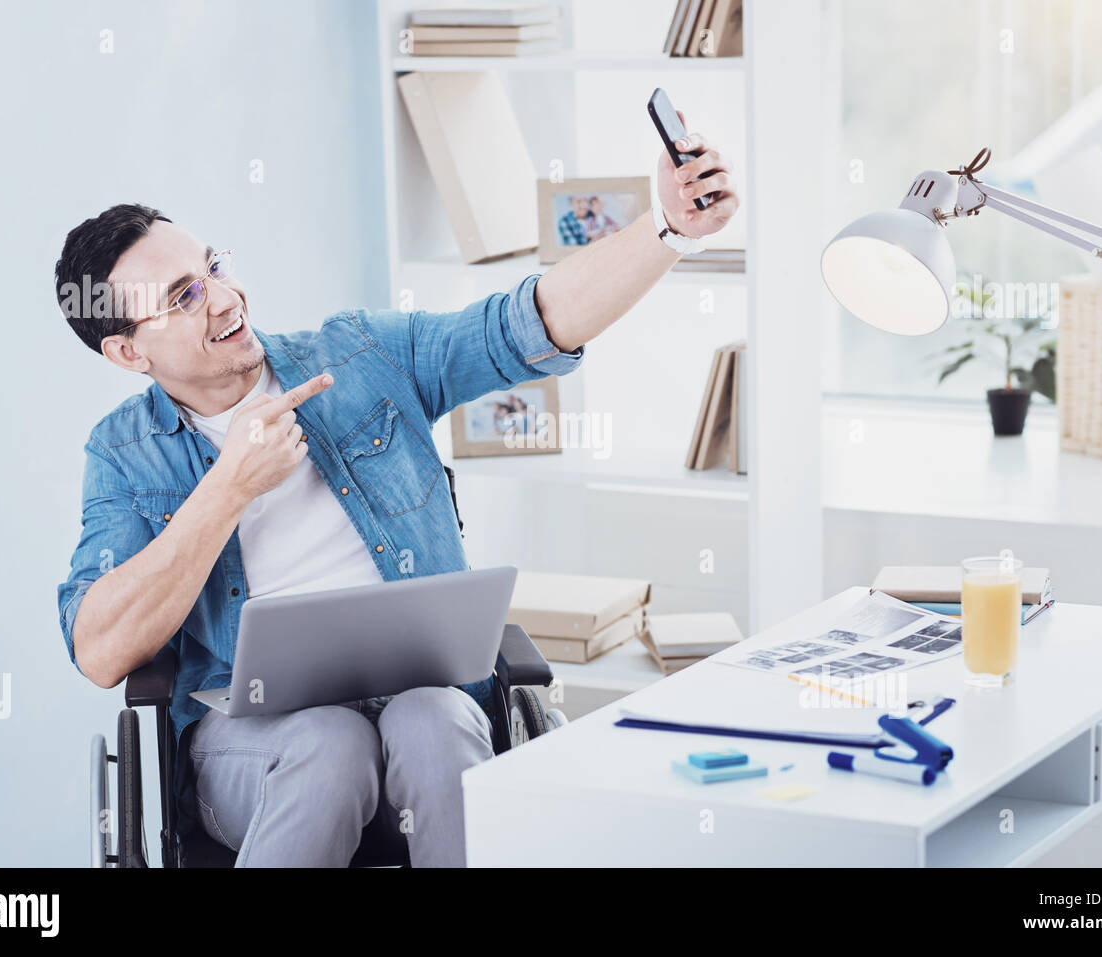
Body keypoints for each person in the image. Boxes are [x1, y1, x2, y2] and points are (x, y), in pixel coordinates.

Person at [54, 121, 738, 867]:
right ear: (128, 351)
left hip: (426, 699)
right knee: (328, 741)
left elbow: (527, 323)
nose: (224, 298)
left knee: (435, 718)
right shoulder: (123, 454)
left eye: (213, 266)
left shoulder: (361, 354)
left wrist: (668, 228)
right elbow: (100, 648)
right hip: (256, 746)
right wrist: (226, 490)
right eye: (186, 295)